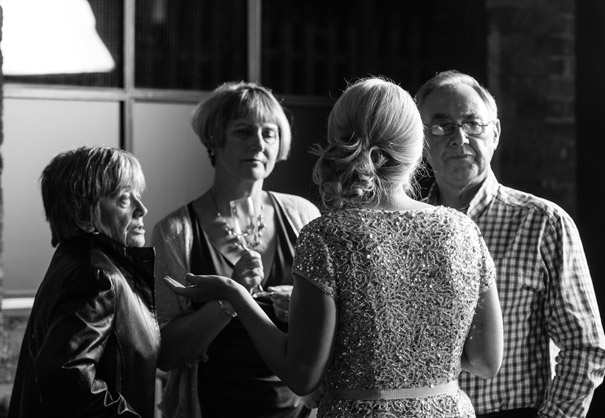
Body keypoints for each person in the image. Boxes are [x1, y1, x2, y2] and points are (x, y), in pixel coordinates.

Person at [162, 76, 504, 418]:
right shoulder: (464, 230)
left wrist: (236, 295)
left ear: (338, 141)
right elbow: (487, 361)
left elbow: (303, 376)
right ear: (417, 147)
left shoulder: (326, 235)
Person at [414, 69, 605, 418]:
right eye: (441, 126)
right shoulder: (407, 228)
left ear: (495, 134)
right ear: (420, 141)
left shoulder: (543, 222)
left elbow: (586, 348)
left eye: (473, 123)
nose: (459, 138)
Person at [152, 81, 321, 418]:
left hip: (298, 410)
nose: (258, 143)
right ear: (214, 138)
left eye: (269, 134)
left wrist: (302, 306)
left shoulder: (304, 217)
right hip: (211, 407)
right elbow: (167, 352)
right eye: (244, 131)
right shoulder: (175, 232)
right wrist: (229, 298)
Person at [7, 146, 160, 418]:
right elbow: (66, 376)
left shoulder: (76, 261)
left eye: (139, 195)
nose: (142, 209)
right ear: (83, 212)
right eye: (124, 198)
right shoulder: (97, 275)